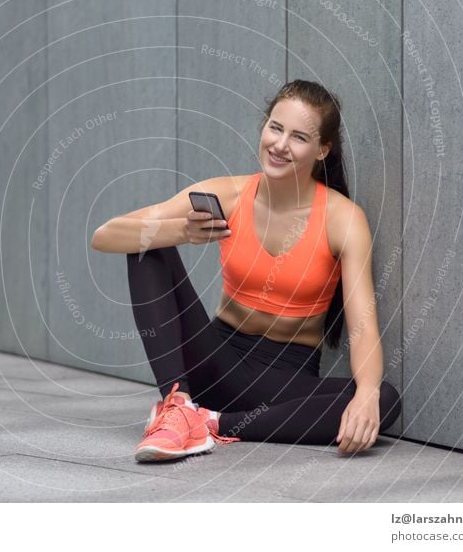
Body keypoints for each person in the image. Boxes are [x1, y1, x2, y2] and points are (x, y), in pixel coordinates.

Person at [91, 80, 402, 463]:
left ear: (322, 150)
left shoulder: (343, 220)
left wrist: (367, 395)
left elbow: (363, 327)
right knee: (144, 244)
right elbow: (105, 235)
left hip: (282, 382)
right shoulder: (230, 194)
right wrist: (181, 231)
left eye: (299, 137)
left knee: (384, 399)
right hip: (212, 361)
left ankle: (212, 423)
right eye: (275, 127)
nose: (280, 144)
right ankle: (177, 403)